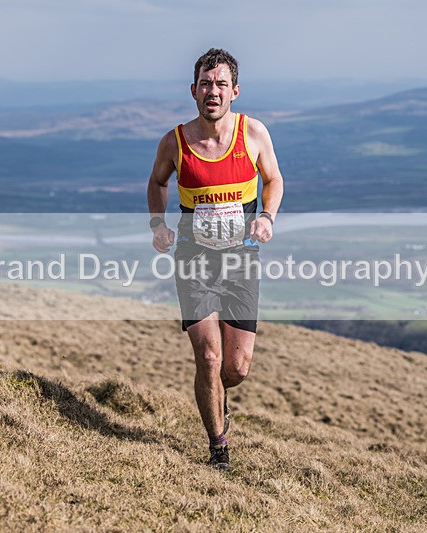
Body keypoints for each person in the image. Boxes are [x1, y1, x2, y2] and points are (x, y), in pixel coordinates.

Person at [147, 48, 284, 470]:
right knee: (208, 357)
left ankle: (218, 397)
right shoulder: (175, 141)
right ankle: (218, 447)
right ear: (193, 90)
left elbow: (274, 179)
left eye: (221, 84)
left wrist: (266, 216)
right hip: (194, 261)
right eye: (206, 83)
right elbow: (157, 182)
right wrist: (158, 225)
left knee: (235, 367)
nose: (213, 91)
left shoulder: (253, 133)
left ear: (235, 91)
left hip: (241, 261)